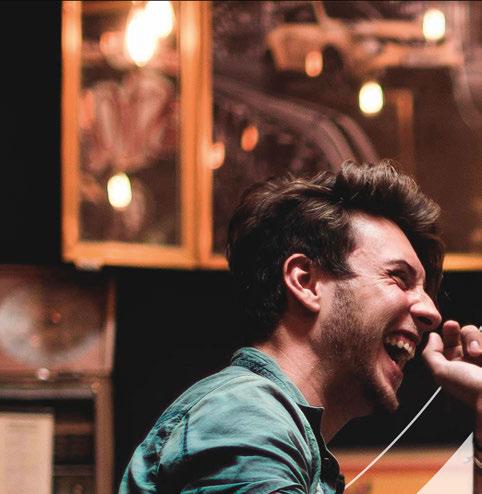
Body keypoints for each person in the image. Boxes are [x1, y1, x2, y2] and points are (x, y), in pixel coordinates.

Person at [119, 160, 482, 493]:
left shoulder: (270, 427)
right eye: (399, 277)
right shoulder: (245, 416)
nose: (431, 312)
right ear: (305, 282)